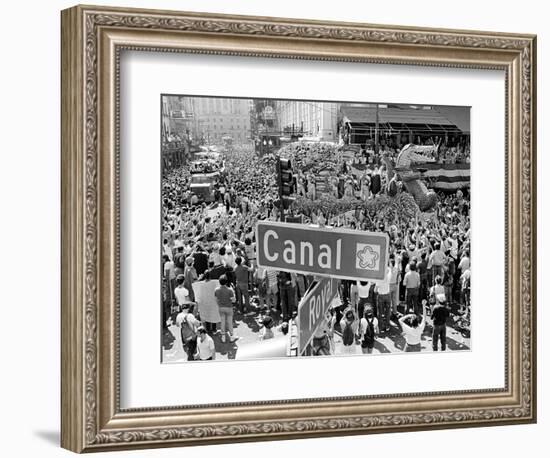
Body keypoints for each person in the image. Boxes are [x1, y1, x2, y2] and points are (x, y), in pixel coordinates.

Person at [214, 275, 238, 343]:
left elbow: (216, 299)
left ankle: (223, 337)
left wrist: (219, 305)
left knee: (222, 322)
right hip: (229, 308)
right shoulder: (230, 290)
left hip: (221, 308)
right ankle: (232, 337)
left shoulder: (216, 290)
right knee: (230, 322)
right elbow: (234, 300)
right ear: (226, 282)